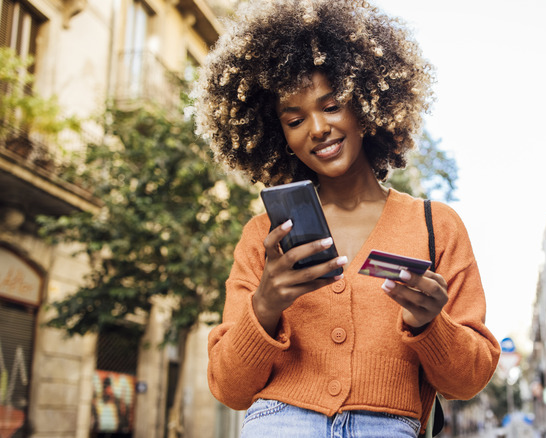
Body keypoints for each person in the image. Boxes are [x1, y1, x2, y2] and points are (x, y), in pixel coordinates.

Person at [193, 0, 500, 436]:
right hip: (278, 421)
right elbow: (229, 389)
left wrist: (432, 323)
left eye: (332, 105)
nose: (316, 128)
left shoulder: (436, 225)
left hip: (388, 424)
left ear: (367, 107)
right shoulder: (264, 235)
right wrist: (264, 306)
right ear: (279, 135)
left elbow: (467, 380)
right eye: (295, 119)